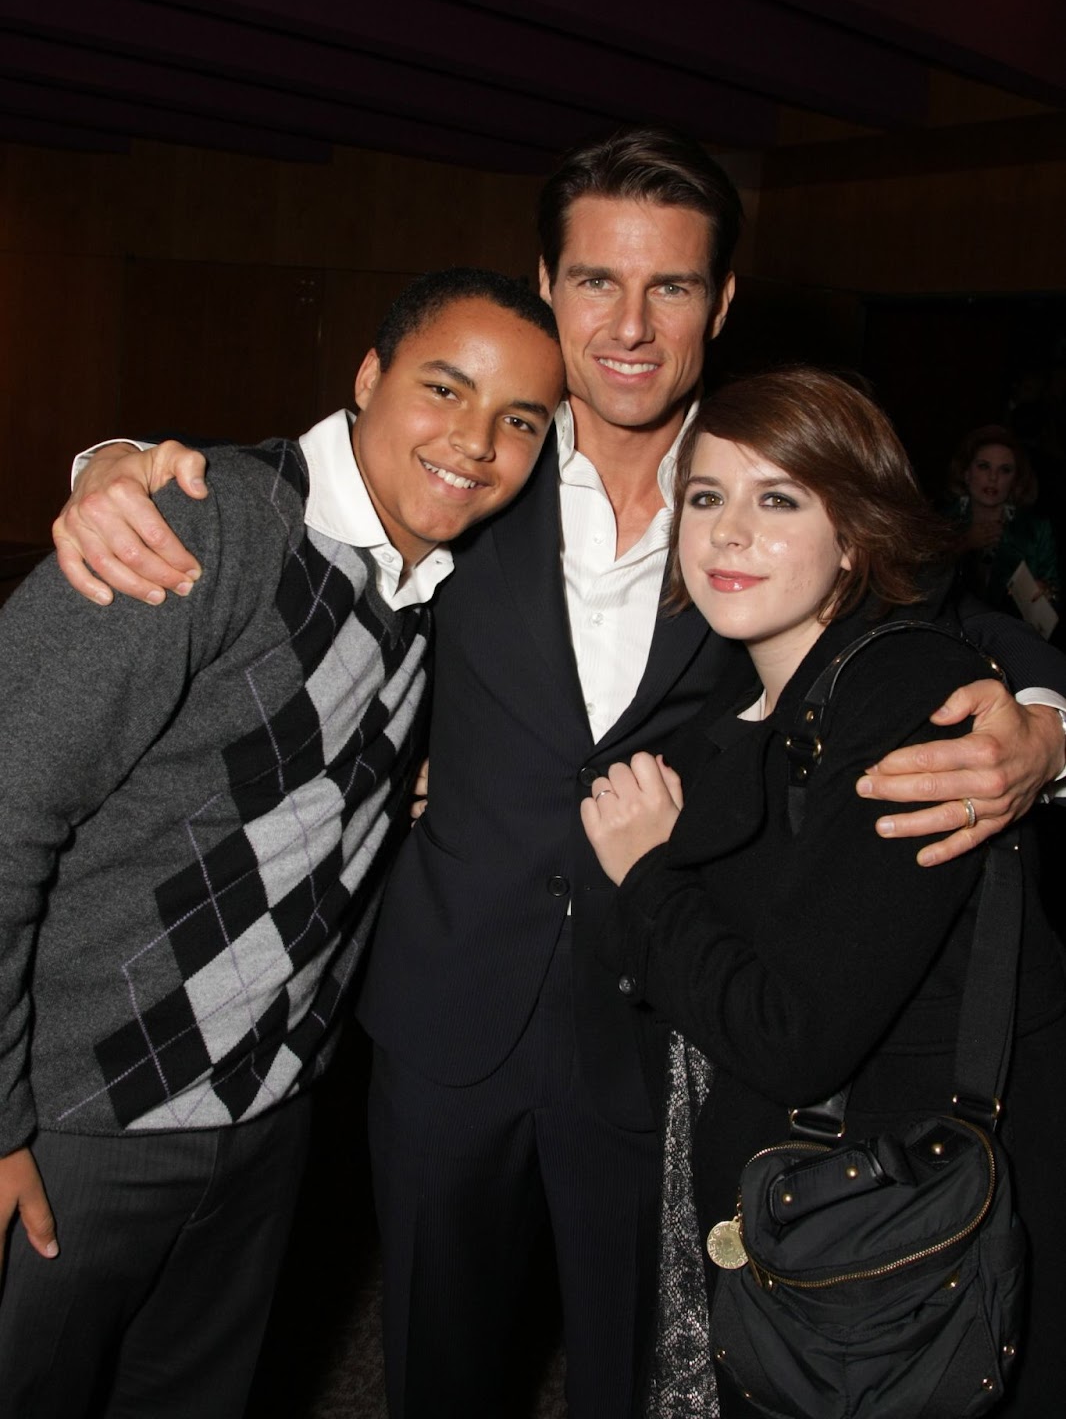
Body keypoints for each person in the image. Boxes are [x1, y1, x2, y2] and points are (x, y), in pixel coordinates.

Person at [49, 129, 1066, 1418]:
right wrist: (108, 467)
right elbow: (269, 473)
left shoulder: (766, 481)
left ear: (722, 300)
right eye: (596, 281)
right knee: (437, 1368)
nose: (631, 325)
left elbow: (957, 609)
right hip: (444, 1017)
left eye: (673, 287)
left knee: (646, 1376)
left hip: (666, 1029)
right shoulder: (471, 466)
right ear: (548, 283)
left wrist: (1046, 721)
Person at [0, 268, 564, 1419]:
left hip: (263, 1125)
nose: (474, 441)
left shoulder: (436, 594)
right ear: (367, 376)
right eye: (443, 389)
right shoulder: (203, 521)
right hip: (74, 1123)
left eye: (520, 420)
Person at [582, 367, 1066, 1417]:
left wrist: (646, 870)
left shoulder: (900, 700)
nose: (728, 532)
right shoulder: (742, 687)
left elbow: (792, 1032)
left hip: (896, 1238)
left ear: (854, 535)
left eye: (779, 497)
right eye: (706, 497)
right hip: (811, 1216)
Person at [946, 424, 1059, 617]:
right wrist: (962, 544)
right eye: (984, 466)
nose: (993, 478)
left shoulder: (1036, 529)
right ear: (966, 473)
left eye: (1005, 470)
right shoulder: (942, 520)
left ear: (1015, 479)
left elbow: (1054, 590)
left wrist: (1046, 592)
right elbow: (919, 582)